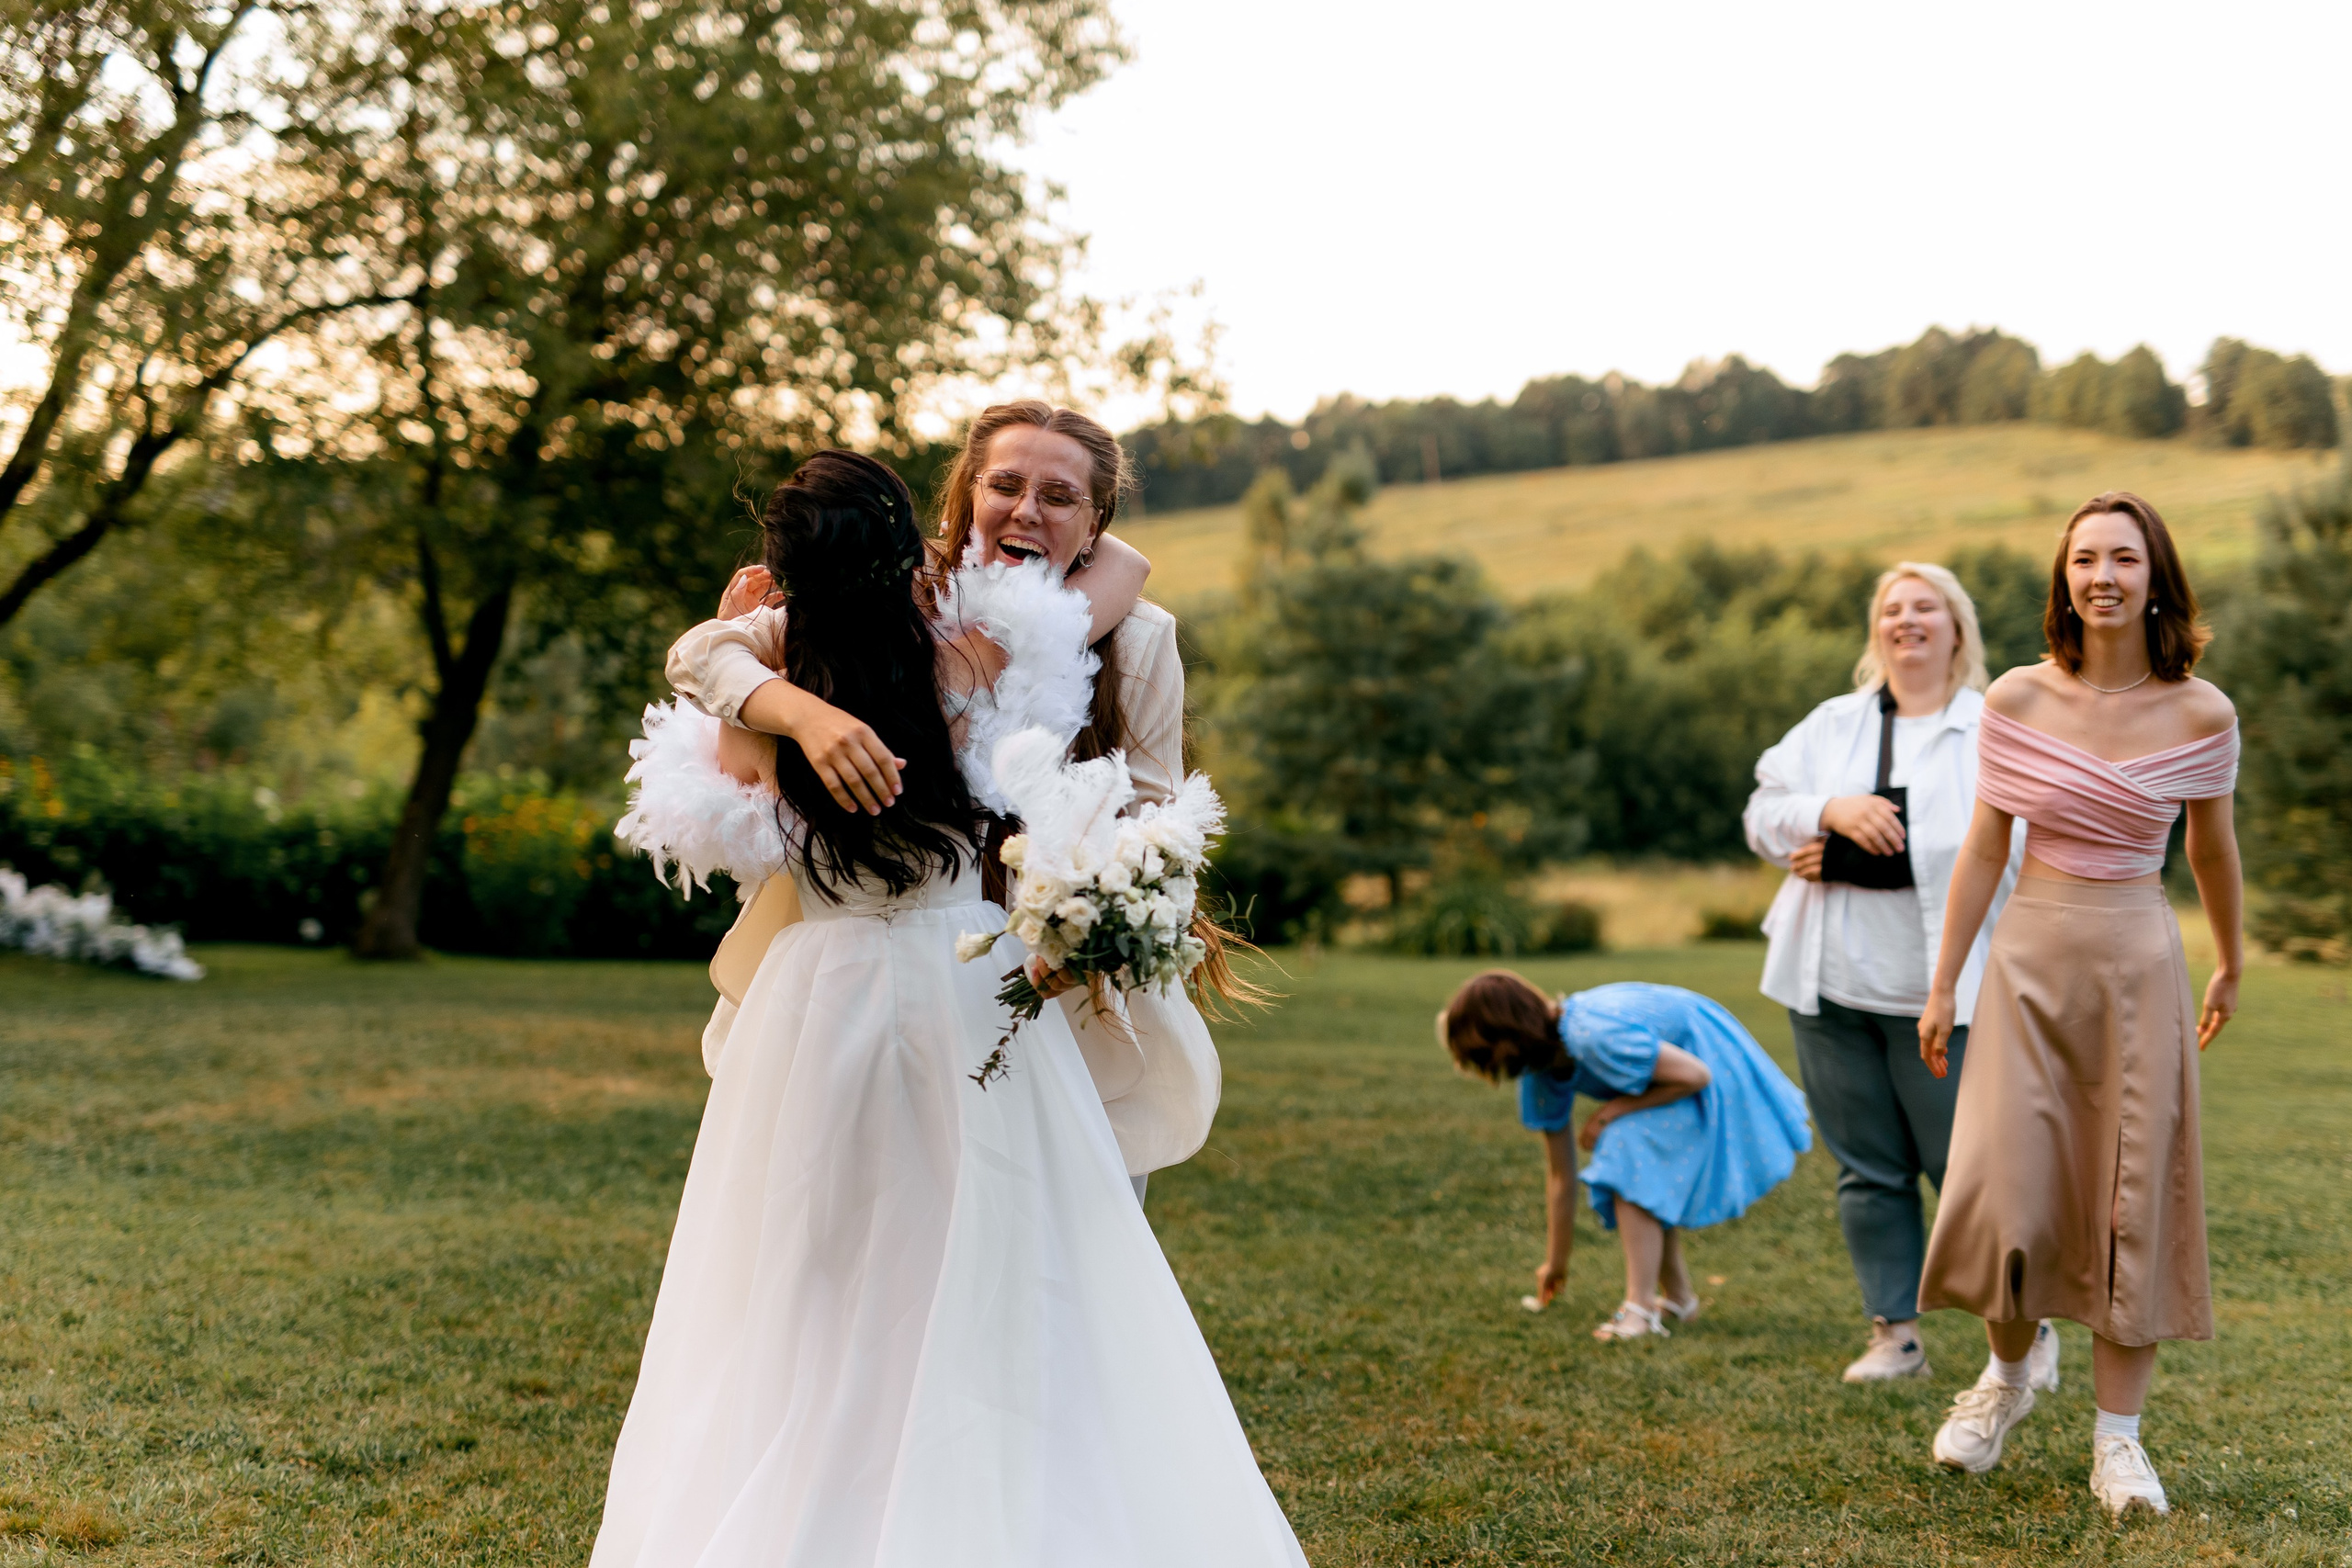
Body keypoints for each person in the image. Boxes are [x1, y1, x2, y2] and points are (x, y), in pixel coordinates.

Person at [596, 451, 1308, 1567]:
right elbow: (1113, 570)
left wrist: (765, 652)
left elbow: (712, 701)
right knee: (998, 1252)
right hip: (955, 975)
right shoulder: (981, 654)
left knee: (811, 1265)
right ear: (910, 544)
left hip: (815, 993)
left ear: (785, 571)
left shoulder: (771, 661)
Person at [675, 400, 1231, 1202]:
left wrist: (1089, 909)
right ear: (967, 493)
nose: (1027, 509)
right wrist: (802, 711)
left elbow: (1153, 808)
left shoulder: (1139, 637)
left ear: (1096, 519)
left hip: (1055, 976)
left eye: (1060, 496)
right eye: (1005, 484)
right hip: (885, 963)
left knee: (1063, 1236)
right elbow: (709, 657)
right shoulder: (897, 599)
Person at [1916, 491, 2242, 1519]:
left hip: (2136, 961)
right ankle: (2007, 1378)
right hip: (2024, 969)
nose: (2102, 575)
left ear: (2156, 579)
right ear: (2064, 578)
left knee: (2128, 1197)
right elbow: (1982, 847)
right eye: (2085, 559)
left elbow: (2210, 849)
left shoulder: (2202, 713)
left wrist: (2230, 959)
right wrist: (1942, 979)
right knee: (2008, 1188)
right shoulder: (2013, 700)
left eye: (2124, 559)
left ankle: (2119, 1444)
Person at [1744, 563, 2034, 1384]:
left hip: (1948, 994)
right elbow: (1763, 814)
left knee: (1969, 1176)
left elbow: (2013, 845)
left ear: (1956, 628)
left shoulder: (1991, 727)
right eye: (1891, 609)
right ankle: (1896, 1336)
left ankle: (2021, 1336)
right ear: (1878, 630)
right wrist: (1827, 814)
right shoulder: (1832, 726)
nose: (1907, 621)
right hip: (1831, 989)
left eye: (1925, 607)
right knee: (1867, 1170)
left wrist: (1891, 851)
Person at [1439, 971, 1813, 1342]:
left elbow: (1695, 1075)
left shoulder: (1591, 1033)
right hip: (1680, 1076)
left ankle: (1640, 1308)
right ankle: (1679, 1298)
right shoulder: (1542, 1070)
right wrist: (1556, 1263)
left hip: (1709, 1056)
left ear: (1509, 1034)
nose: (1490, 1066)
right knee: (1634, 1156)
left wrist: (1610, 1111)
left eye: (1484, 1053)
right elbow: (1560, 1176)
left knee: (1624, 1145)